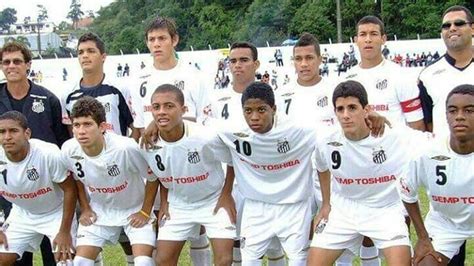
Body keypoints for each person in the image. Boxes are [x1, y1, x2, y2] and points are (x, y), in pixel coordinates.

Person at [308, 80, 415, 266]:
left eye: (352, 108)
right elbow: (321, 166)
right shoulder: (327, 141)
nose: (346, 115)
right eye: (340, 109)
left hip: (385, 210)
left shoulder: (394, 136)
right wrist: (326, 204)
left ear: (367, 110)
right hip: (343, 210)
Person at [134, 16, 212, 264]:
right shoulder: (139, 80)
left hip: (192, 161)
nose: (156, 44)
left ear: (174, 40)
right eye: (151, 39)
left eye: (162, 38)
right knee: (164, 220)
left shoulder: (194, 76)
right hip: (158, 163)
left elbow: (205, 122)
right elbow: (138, 127)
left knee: (199, 230)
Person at [216, 82, 318, 265]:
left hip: (294, 207)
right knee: (249, 261)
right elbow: (196, 133)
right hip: (256, 207)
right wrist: (156, 125)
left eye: (261, 110)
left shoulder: (300, 130)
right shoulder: (232, 131)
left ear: (274, 109)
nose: (254, 117)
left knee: (298, 261)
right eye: (248, 111)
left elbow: (339, 134)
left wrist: (370, 118)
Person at [142, 84, 235, 266]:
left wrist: (226, 195)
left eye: (169, 106)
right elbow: (159, 174)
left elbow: (233, 159)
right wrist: (165, 201)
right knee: (162, 260)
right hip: (179, 204)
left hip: (213, 200)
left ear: (183, 110)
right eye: (156, 107)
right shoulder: (147, 144)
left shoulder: (205, 137)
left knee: (224, 260)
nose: (161, 112)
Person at [62, 96, 158, 266]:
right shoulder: (69, 149)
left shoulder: (126, 148)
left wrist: (144, 211)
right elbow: (77, 177)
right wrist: (85, 208)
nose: (81, 131)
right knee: (80, 263)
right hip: (100, 211)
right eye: (76, 125)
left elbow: (153, 177)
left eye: (88, 124)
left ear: (103, 127)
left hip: (134, 209)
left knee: (144, 262)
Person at [0, 41, 69, 266]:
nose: (12, 66)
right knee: (16, 258)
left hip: (49, 191)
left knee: (55, 258)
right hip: (14, 192)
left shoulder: (47, 99)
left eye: (17, 61)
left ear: (28, 65)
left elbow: (62, 143)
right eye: (6, 62)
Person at [400, 84, 474, 266]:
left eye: (469, 110)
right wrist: (423, 237)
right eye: (453, 110)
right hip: (445, 224)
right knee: (425, 264)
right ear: (446, 116)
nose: (459, 116)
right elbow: (407, 193)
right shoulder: (427, 151)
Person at [0, 111, 77, 265]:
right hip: (22, 214)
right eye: (2, 132)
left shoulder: (48, 153)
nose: (7, 137)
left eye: (13, 131)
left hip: (56, 213)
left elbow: (70, 190)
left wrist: (64, 231)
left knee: (65, 261)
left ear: (27, 133)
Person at [61, 32, 139, 142]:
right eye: (80, 52)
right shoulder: (67, 95)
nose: (85, 55)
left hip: (115, 158)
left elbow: (136, 129)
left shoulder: (120, 90)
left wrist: (123, 153)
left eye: (91, 51)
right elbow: (71, 133)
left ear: (103, 57)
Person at [419, 5, 473, 136]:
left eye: (459, 23)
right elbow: (427, 123)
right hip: (446, 153)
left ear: (472, 29)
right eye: (446, 26)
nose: (452, 28)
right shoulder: (427, 75)